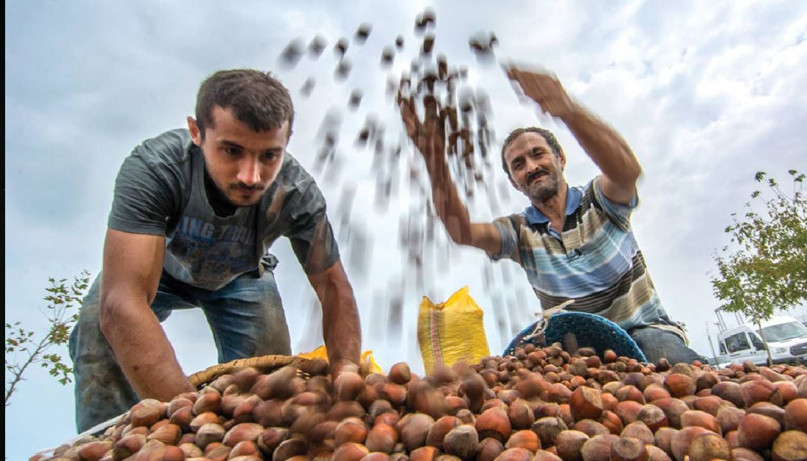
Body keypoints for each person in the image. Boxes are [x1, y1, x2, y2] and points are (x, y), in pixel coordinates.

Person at [69, 69, 362, 432]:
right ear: (196, 132)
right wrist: (193, 429)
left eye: (269, 155)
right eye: (231, 151)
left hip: (241, 276)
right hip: (160, 269)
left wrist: (348, 374)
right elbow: (122, 302)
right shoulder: (156, 168)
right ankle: (104, 447)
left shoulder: (296, 193)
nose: (251, 176)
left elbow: (333, 287)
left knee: (271, 381)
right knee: (99, 335)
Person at [398, 65, 701, 365]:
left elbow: (626, 172)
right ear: (514, 182)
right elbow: (462, 232)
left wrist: (566, 108)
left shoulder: (599, 200)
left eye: (538, 154)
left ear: (561, 158)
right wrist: (434, 159)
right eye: (518, 165)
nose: (530, 167)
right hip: (573, 349)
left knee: (674, 364)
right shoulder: (519, 232)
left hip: (644, 331)